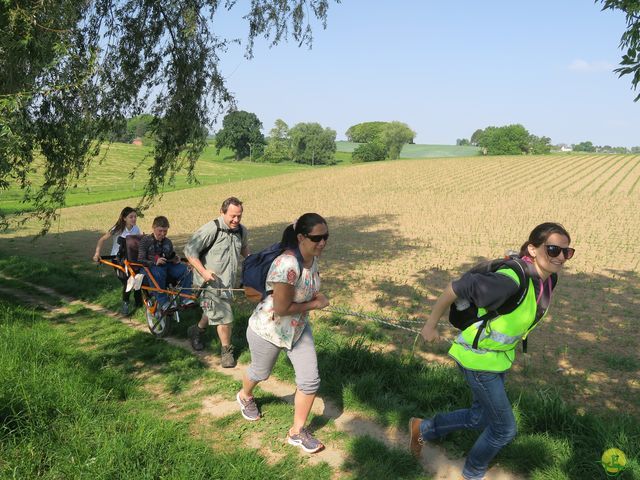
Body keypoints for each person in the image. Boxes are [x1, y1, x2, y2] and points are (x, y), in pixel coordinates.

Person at [409, 222, 574, 480]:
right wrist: (430, 325)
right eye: (553, 250)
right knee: (504, 429)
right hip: (478, 360)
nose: (561, 257)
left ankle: (423, 428)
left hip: (497, 358)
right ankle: (472, 472)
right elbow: (455, 288)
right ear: (532, 249)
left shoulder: (548, 278)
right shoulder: (509, 280)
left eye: (567, 251)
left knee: (478, 418)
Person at [236, 213, 330, 454]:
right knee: (260, 372)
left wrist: (315, 296)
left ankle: (297, 432)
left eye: (326, 237)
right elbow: (281, 308)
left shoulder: (312, 259)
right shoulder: (287, 265)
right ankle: (245, 395)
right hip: (268, 329)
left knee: (310, 380)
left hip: (297, 331)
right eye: (317, 238)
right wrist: (315, 305)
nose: (322, 242)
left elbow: (307, 288)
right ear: (301, 237)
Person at [184, 197, 249, 367]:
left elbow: (243, 248)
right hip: (208, 283)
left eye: (239, 216)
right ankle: (227, 351)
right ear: (222, 212)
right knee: (225, 316)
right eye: (232, 216)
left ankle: (196, 331)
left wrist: (252, 261)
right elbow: (190, 251)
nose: (236, 220)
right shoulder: (211, 229)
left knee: (214, 310)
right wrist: (204, 272)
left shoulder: (241, 231)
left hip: (227, 282)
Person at [92, 206, 142, 315]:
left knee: (138, 279)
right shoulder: (117, 228)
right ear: (124, 218)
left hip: (131, 259)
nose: (134, 219)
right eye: (131, 217)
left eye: (135, 217)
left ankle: (139, 304)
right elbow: (102, 240)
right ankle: (125, 304)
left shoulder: (136, 229)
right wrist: (97, 254)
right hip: (117, 259)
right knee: (127, 281)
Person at [138, 215, 193, 310]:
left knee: (186, 269)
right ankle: (164, 302)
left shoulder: (167, 242)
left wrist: (175, 258)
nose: (163, 234)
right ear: (153, 228)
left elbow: (170, 256)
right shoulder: (145, 241)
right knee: (158, 272)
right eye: (160, 231)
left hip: (167, 266)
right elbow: (140, 259)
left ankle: (185, 298)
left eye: (165, 231)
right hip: (150, 268)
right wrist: (155, 262)